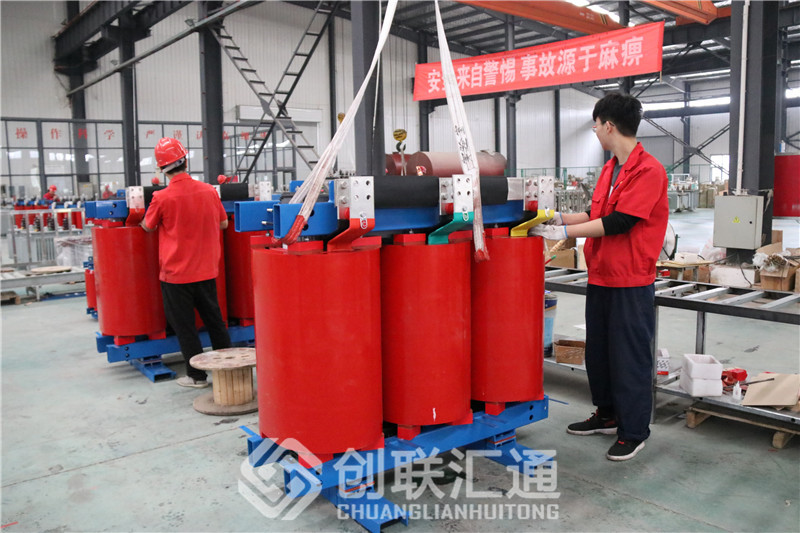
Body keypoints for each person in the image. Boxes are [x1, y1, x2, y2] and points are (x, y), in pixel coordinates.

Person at [530, 93, 668, 461]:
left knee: (629, 357)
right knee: (600, 354)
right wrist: (555, 219)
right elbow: (595, 214)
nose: (594, 130)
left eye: (595, 124)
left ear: (608, 125)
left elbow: (620, 221)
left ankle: (634, 430)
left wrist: (564, 233)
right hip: (601, 276)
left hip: (630, 281)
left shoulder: (648, 170)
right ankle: (607, 415)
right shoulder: (610, 169)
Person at [141, 137, 232, 388]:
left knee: (186, 327)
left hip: (176, 275)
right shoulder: (209, 191)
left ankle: (197, 377)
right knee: (215, 322)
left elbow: (148, 226)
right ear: (185, 162)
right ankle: (227, 372)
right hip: (207, 271)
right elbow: (224, 223)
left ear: (162, 168)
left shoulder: (161, 197)